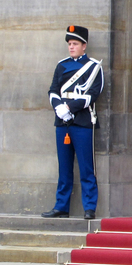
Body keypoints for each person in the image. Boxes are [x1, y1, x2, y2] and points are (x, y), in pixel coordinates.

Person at [41, 25, 104, 220]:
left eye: (75, 43)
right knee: (64, 167)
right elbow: (53, 90)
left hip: (83, 122)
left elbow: (93, 94)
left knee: (86, 167)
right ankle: (61, 206)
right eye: (69, 43)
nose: (71, 47)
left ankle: (89, 207)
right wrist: (59, 107)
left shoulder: (94, 66)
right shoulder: (62, 65)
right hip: (62, 122)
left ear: (84, 45)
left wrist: (70, 108)